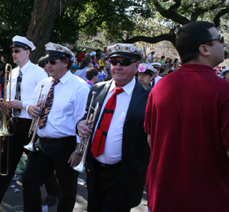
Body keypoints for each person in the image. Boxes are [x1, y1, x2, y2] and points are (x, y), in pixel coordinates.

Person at [144, 21, 229, 212]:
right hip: (209, 201)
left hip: (161, 198)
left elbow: (151, 139)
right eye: (220, 39)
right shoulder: (224, 91)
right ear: (204, 49)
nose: (223, 44)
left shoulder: (159, 88)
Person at [0, 35, 48, 212]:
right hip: (13, 124)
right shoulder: (11, 73)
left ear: (27, 52)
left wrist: (24, 105)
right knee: (3, 168)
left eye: (17, 51)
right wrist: (5, 106)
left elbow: (44, 101)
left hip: (31, 126)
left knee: (31, 176)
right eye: (12, 51)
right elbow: (9, 97)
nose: (13, 54)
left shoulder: (38, 72)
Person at [77, 43, 150, 212]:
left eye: (124, 62)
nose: (118, 67)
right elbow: (86, 118)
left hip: (124, 174)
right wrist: (79, 125)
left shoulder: (148, 96)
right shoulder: (97, 89)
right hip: (95, 171)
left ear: (137, 66)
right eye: (114, 61)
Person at [24, 42, 89, 212]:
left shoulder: (80, 86)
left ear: (65, 62)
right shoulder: (45, 83)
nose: (47, 65)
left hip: (65, 145)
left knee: (67, 191)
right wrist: (30, 108)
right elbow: (32, 102)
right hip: (41, 143)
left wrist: (78, 150)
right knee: (29, 181)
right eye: (46, 62)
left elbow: (81, 122)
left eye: (52, 62)